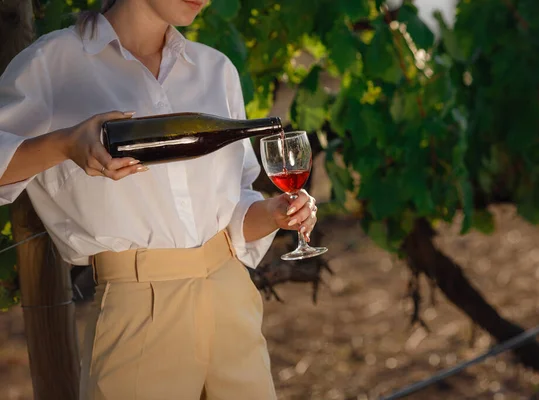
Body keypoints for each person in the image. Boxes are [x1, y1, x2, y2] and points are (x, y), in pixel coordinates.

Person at [0, 0, 319, 399]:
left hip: (231, 298)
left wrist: (273, 214)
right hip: (138, 311)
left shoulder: (216, 70)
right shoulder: (53, 64)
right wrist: (65, 144)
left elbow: (233, 211)